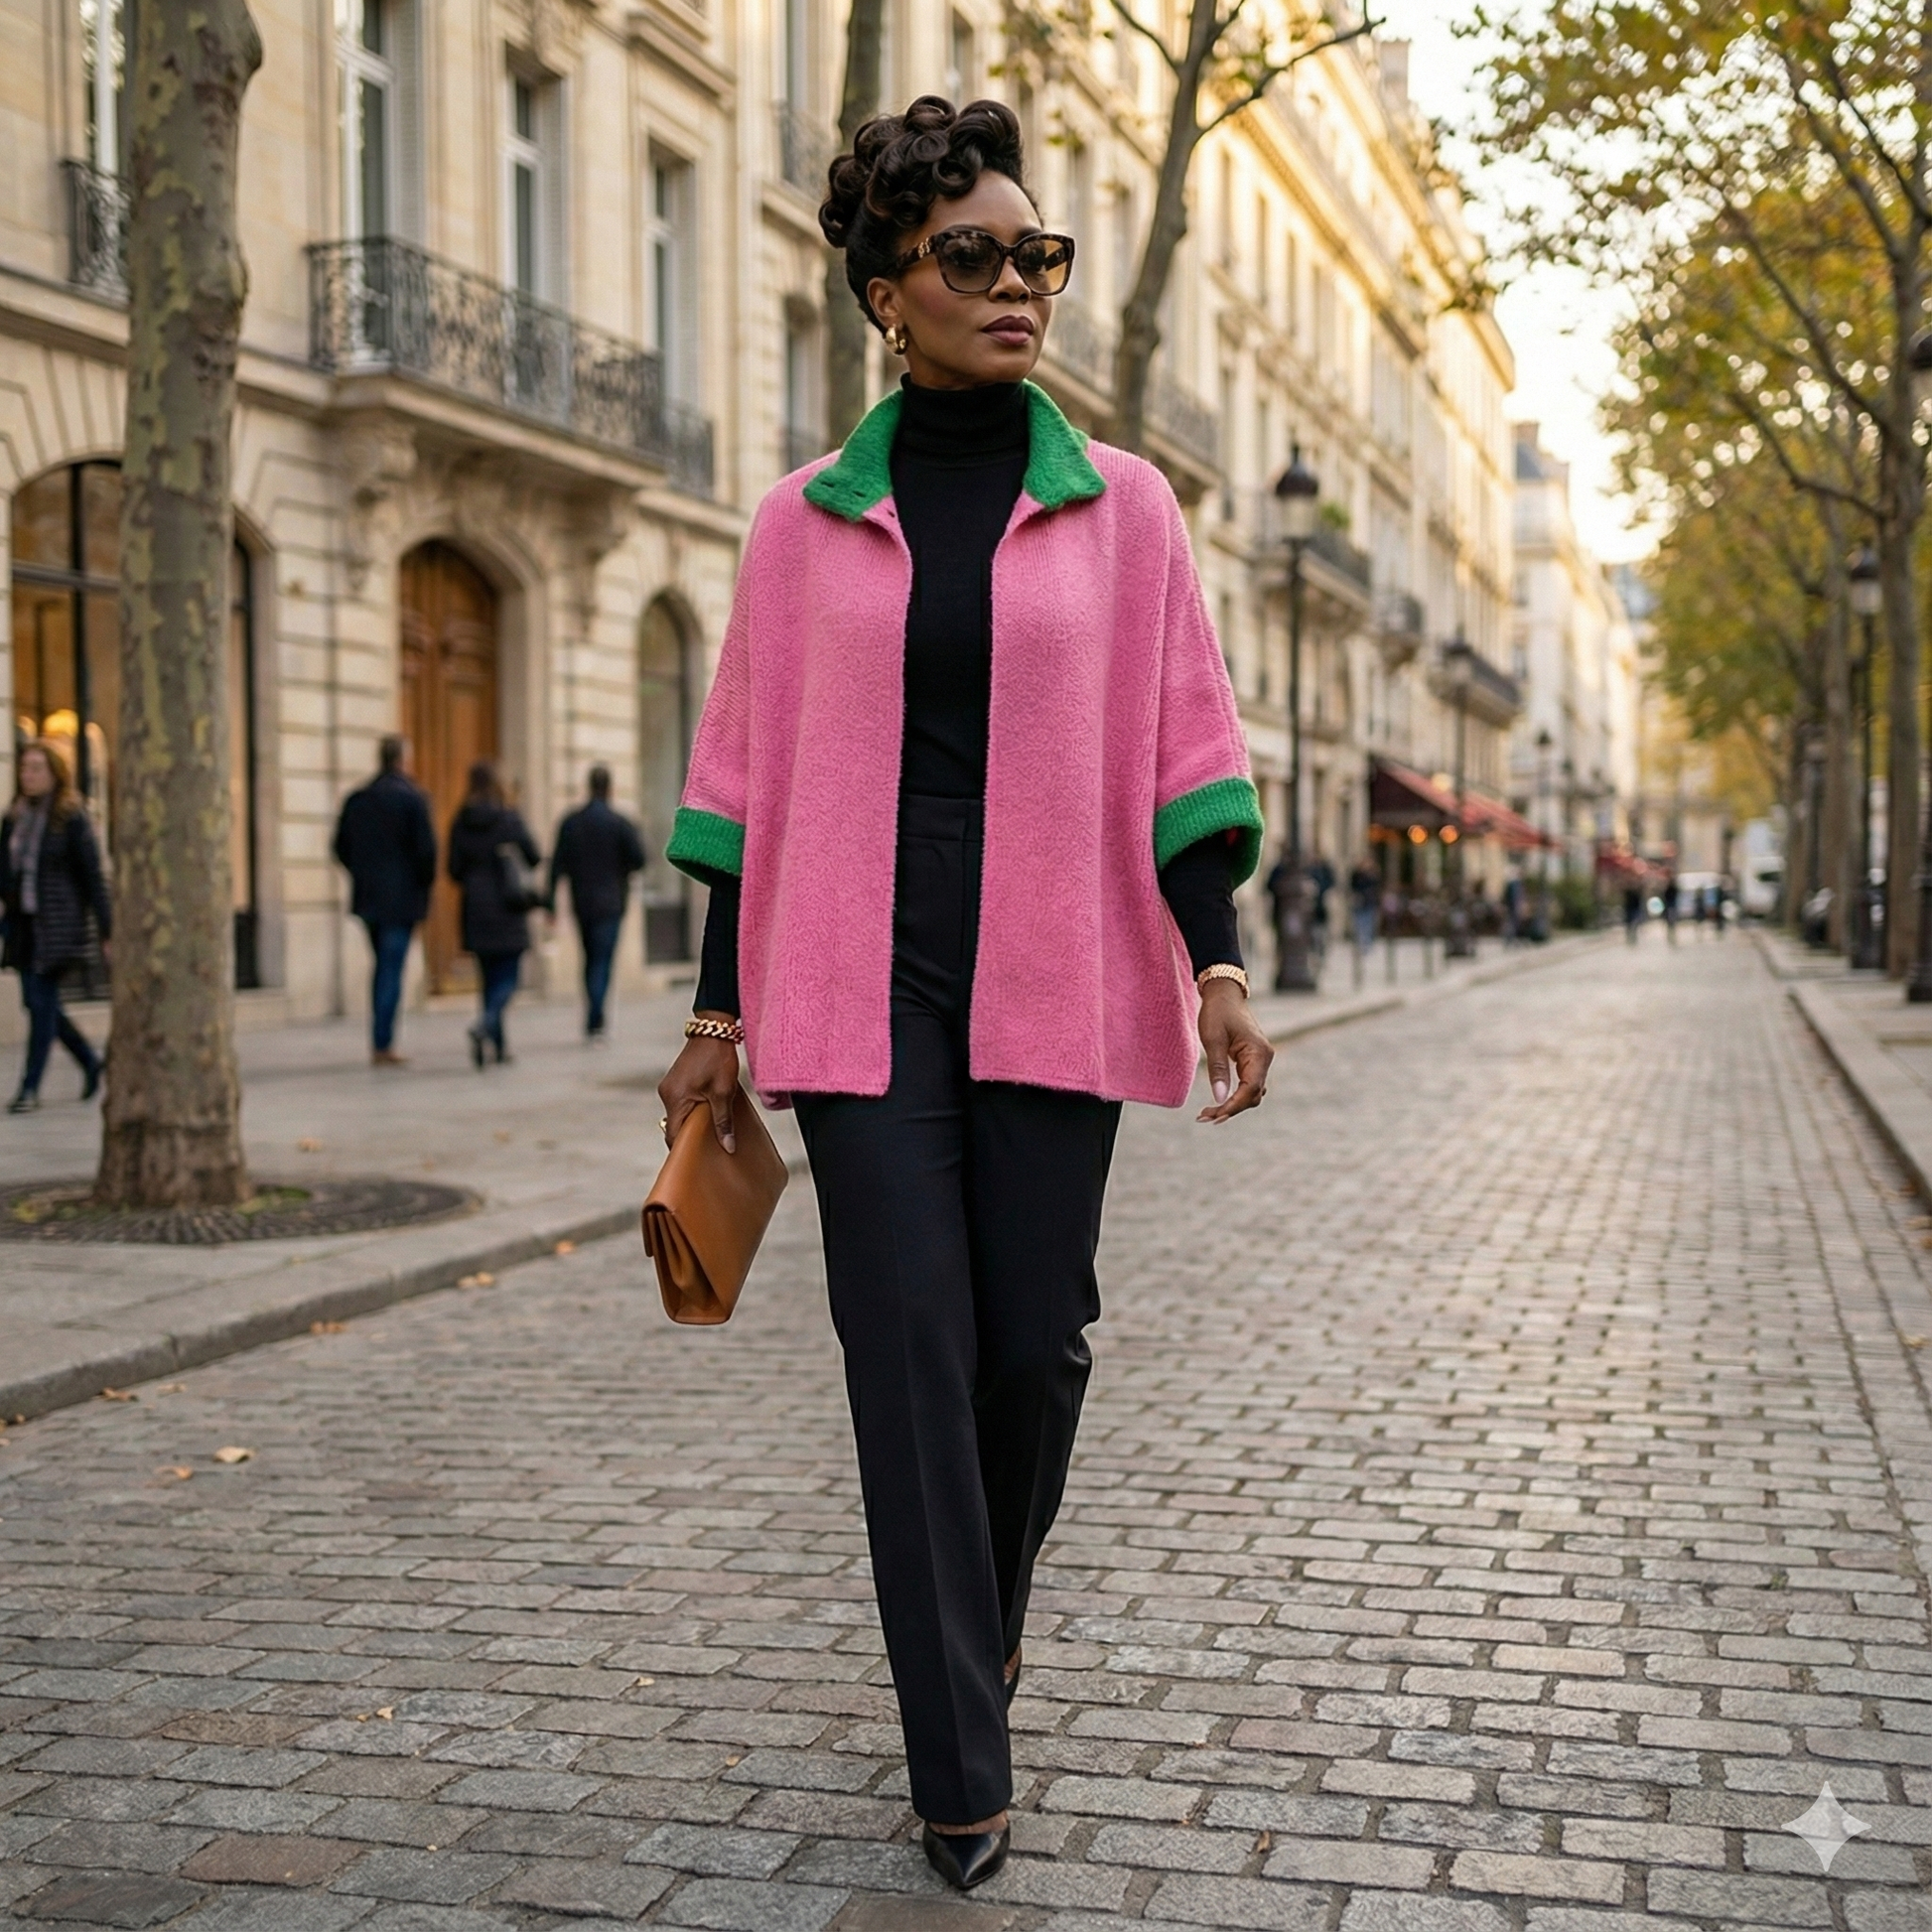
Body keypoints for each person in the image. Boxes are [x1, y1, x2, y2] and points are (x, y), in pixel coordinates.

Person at [654, 96, 1273, 1895]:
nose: (1018, 288)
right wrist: (714, 1018)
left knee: (1030, 1349)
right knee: (906, 1346)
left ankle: (973, 1634)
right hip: (857, 981)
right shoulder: (797, 523)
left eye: (1039, 258)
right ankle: (956, 1755)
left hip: (1055, 971)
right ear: (884, 290)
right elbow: (743, 789)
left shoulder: (1126, 507)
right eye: (974, 259)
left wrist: (1215, 957)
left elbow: (1185, 761)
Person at [1, 740, 108, 1114]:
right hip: (23, 926)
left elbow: (93, 877)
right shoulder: (14, 818)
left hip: (59, 925)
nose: (27, 775)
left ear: (54, 773)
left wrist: (107, 930)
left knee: (40, 1002)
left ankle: (29, 1088)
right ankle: (90, 1061)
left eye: (36, 768)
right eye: (24, 768)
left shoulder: (70, 817)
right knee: (40, 1004)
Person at [332, 734, 437, 1066]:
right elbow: (427, 854)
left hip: (369, 898)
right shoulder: (413, 800)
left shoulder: (359, 799)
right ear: (404, 760)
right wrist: (421, 889)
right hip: (401, 900)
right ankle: (382, 1042)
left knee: (383, 965)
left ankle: (381, 1037)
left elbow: (340, 847)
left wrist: (362, 873)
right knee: (390, 967)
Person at [446, 762, 540, 1068]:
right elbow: (534, 856)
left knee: (488, 978)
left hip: (475, 906)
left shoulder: (462, 820)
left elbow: (453, 869)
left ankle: (497, 1047)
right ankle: (485, 1024)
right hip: (508, 905)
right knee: (509, 978)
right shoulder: (508, 818)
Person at [548, 765, 645, 1040]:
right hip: (611, 902)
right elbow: (639, 859)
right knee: (602, 960)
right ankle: (596, 1018)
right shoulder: (620, 823)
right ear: (609, 788)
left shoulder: (571, 822)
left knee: (590, 958)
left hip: (582, 902)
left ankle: (594, 1014)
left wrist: (550, 903)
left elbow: (556, 865)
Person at [1349, 858, 1380, 956]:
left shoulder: (1372, 875)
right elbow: (1352, 887)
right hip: (1359, 903)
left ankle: (1367, 944)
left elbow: (1376, 888)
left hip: (1369, 903)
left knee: (1369, 925)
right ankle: (1361, 944)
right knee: (1360, 925)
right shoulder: (1356, 875)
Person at [1661, 870, 1681, 944]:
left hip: (1671, 905)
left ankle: (1672, 932)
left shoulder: (1671, 885)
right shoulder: (1667, 885)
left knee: (1671, 919)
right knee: (1670, 920)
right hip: (1669, 905)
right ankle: (1670, 932)